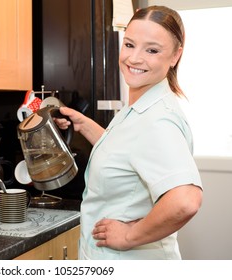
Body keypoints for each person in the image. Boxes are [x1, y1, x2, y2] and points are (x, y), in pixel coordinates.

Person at [55, 6, 203, 259]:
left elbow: (185, 200)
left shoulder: (157, 120)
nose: (134, 58)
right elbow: (127, 153)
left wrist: (128, 236)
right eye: (130, 45)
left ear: (175, 56)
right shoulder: (141, 105)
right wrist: (85, 125)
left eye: (152, 50)